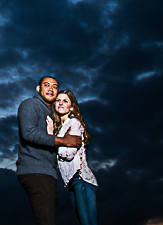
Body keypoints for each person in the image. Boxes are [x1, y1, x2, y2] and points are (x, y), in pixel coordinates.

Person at [17, 76, 83, 225]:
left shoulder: (50, 113)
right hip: (35, 170)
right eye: (47, 85)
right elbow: (29, 134)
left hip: (47, 172)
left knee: (47, 219)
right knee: (46, 221)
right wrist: (64, 141)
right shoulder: (30, 104)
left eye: (55, 86)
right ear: (38, 89)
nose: (51, 89)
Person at [53, 90, 98, 225]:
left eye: (65, 101)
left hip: (81, 179)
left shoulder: (73, 122)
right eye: (58, 100)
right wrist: (57, 139)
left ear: (71, 107)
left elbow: (69, 153)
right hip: (72, 182)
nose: (60, 103)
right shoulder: (60, 128)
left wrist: (56, 143)